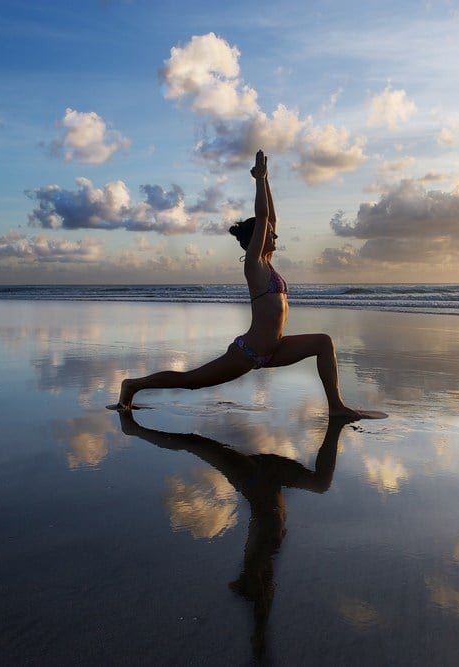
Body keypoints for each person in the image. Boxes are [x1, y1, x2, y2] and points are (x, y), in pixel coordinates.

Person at [116, 150, 363, 418]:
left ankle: (336, 407)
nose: (275, 234)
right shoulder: (254, 265)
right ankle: (133, 385)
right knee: (191, 381)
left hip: (276, 349)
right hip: (249, 352)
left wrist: (266, 179)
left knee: (324, 343)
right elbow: (264, 216)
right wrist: (258, 180)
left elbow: (271, 219)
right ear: (257, 239)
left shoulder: (267, 262)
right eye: (269, 234)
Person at [117, 410, 350, 658]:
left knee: (195, 444)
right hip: (261, 478)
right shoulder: (267, 534)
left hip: (255, 476)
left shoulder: (264, 527)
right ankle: (256, 614)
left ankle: (136, 429)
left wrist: (260, 634)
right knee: (197, 445)